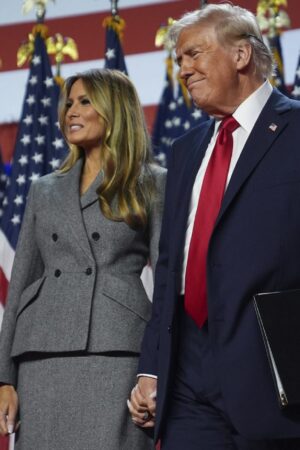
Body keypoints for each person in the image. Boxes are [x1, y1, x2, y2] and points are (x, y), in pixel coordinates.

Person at [128, 3, 300, 449]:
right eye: (179, 59)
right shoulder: (185, 149)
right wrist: (152, 367)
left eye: (193, 54)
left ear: (241, 55)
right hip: (189, 367)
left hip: (272, 358)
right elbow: (169, 269)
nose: (183, 69)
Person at [0, 68, 166, 449]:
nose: (70, 111)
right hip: (41, 355)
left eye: (85, 102)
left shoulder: (153, 182)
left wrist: (156, 369)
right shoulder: (44, 190)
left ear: (114, 109)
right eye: (69, 103)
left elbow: (168, 280)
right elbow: (22, 282)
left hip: (116, 348)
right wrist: (4, 378)